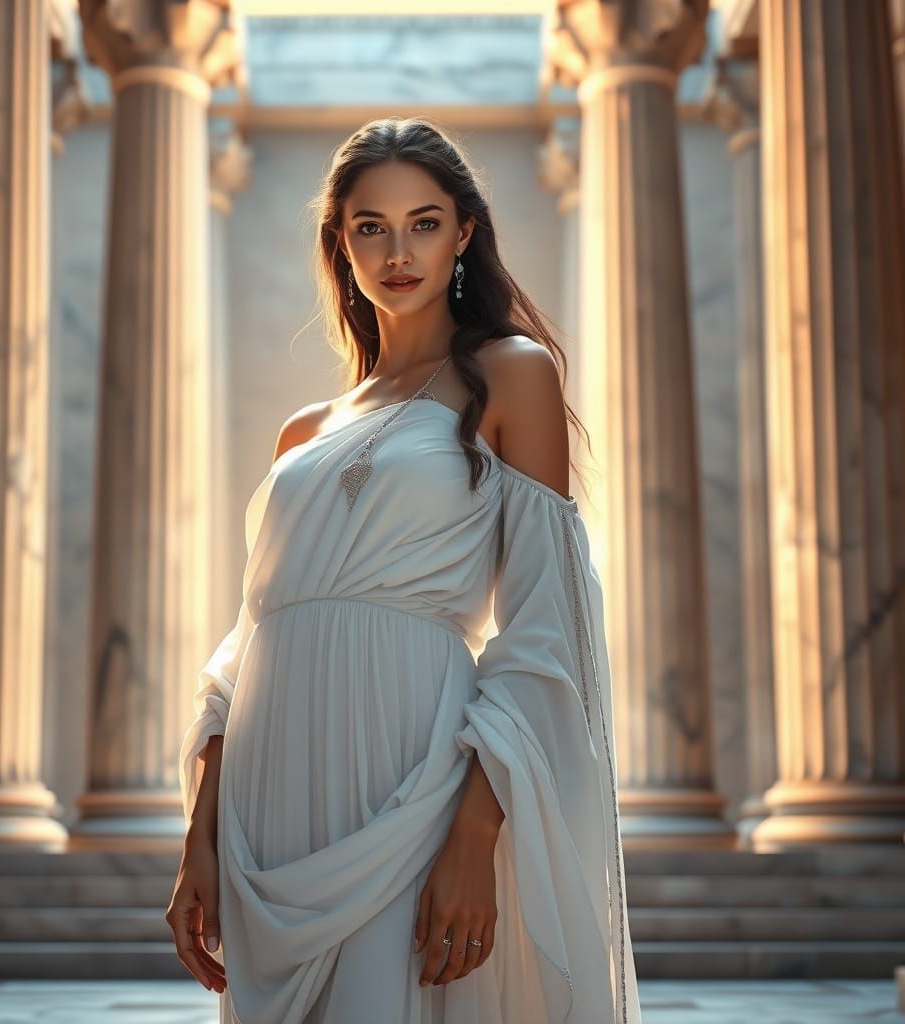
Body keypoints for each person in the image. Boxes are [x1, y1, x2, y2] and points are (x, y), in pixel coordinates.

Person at [166, 115, 641, 1024]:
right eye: (369, 226)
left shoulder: (513, 375)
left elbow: (548, 624)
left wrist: (476, 826)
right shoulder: (304, 432)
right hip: (272, 800)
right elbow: (245, 645)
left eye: (423, 222)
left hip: (410, 778)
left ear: (464, 232)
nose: (398, 250)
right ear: (338, 244)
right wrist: (202, 834)